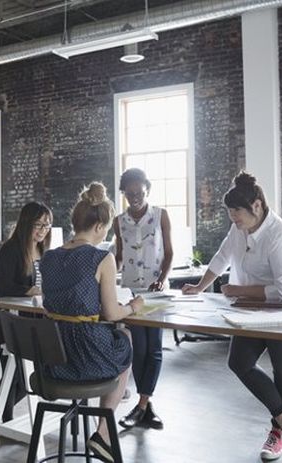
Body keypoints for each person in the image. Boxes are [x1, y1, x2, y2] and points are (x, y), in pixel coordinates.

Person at [182, 172, 282, 461]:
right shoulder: (239, 228)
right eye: (230, 215)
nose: (234, 220)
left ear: (256, 206)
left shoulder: (280, 236)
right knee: (238, 362)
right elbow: (222, 256)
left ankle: (278, 435)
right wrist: (199, 287)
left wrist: (239, 289)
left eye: (237, 213)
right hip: (250, 308)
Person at [40, 182, 143, 462]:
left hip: (52, 362)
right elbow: (111, 313)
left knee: (115, 343)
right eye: (107, 230)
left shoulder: (48, 257)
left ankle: (107, 420)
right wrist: (133, 306)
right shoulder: (102, 257)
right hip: (85, 357)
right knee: (125, 340)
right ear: (99, 226)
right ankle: (102, 432)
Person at [112, 168, 173, 430]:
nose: (135, 198)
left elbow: (169, 252)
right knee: (140, 348)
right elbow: (118, 256)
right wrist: (103, 273)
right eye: (129, 194)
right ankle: (144, 406)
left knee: (155, 348)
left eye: (139, 193)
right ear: (123, 193)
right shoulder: (118, 221)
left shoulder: (160, 215)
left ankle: (143, 404)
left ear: (148, 190)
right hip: (130, 292)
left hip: (157, 291)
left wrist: (161, 278)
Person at [0, 202, 53, 423]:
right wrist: (31, 290)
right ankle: (2, 419)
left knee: (29, 377)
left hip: (34, 322)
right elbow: (5, 287)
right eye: (38, 225)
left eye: (47, 226)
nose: (42, 231)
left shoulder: (43, 250)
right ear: (26, 223)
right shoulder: (10, 250)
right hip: (10, 323)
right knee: (14, 376)